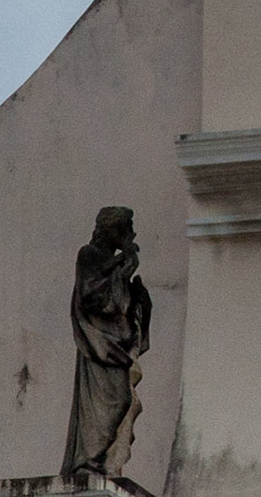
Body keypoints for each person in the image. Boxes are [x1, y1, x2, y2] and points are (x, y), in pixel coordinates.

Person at [61, 205, 152, 482]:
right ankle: (88, 461)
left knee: (123, 401)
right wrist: (123, 264)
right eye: (125, 228)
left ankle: (98, 462)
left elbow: (122, 308)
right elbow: (92, 296)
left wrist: (140, 303)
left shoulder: (114, 263)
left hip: (117, 346)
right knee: (110, 402)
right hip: (99, 343)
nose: (130, 234)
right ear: (111, 229)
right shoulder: (89, 254)